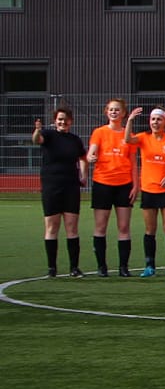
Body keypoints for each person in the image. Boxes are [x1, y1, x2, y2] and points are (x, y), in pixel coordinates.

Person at [33, 107, 87, 278]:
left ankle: (74, 268)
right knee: (52, 226)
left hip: (70, 186)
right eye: (59, 119)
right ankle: (52, 268)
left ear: (71, 121)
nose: (63, 122)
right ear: (55, 121)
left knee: (72, 226)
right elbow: (37, 140)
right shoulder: (48, 135)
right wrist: (37, 130)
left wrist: (83, 175)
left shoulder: (74, 140)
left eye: (66, 119)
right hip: (51, 186)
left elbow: (83, 158)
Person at [86, 98, 136, 276]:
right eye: (111, 109)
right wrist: (91, 157)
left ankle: (123, 267)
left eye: (117, 110)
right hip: (102, 184)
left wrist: (135, 185)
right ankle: (102, 267)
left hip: (124, 185)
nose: (114, 112)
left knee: (123, 227)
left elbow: (133, 163)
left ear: (123, 113)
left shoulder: (128, 135)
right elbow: (91, 152)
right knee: (100, 226)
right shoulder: (99, 132)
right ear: (106, 112)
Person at [128, 106, 165, 276]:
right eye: (153, 119)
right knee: (150, 229)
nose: (155, 122)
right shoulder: (143, 138)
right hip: (148, 190)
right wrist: (129, 120)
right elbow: (128, 139)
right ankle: (149, 265)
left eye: (159, 119)